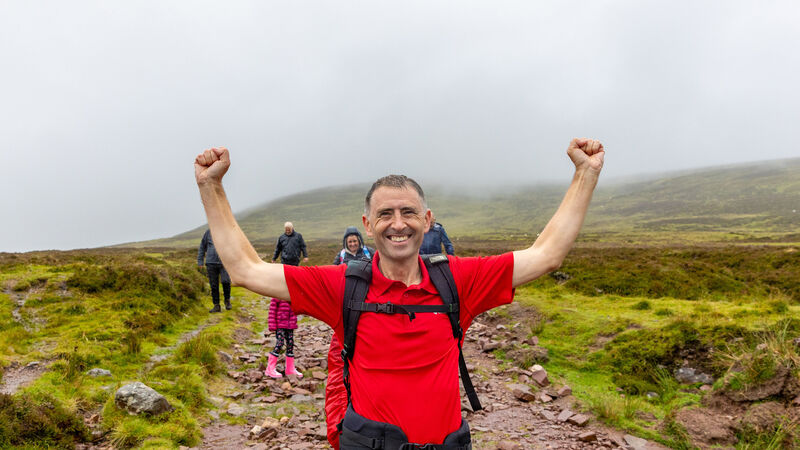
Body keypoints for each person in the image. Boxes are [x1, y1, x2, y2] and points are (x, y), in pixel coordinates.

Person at [193, 137, 604, 448]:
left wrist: (585, 175)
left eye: (408, 212)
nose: (398, 223)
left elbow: (546, 255)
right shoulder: (342, 284)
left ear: (427, 219)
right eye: (385, 214)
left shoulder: (458, 279)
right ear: (367, 225)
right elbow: (245, 270)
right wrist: (211, 187)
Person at [326, 226, 374, 449]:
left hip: (370, 310)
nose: (353, 244)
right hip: (347, 311)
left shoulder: (370, 253)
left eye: (355, 241)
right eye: (350, 242)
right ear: (346, 243)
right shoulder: (341, 257)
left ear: (360, 241)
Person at [265, 297, 303, 379]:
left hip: (290, 324)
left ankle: (290, 369)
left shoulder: (292, 295)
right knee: (280, 343)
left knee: (290, 344)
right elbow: (272, 311)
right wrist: (272, 325)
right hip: (280, 324)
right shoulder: (277, 295)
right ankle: (270, 369)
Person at [197, 229, 232, 312]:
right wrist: (200, 261)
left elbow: (233, 246)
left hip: (224, 262)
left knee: (226, 281)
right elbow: (202, 247)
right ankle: (216, 305)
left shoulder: (226, 231)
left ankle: (227, 301)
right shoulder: (208, 233)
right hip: (211, 263)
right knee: (214, 285)